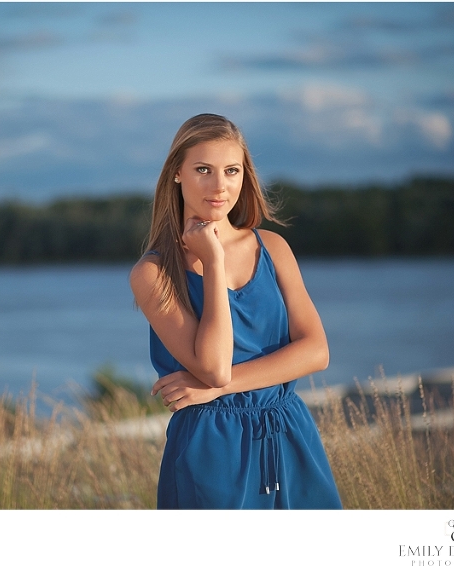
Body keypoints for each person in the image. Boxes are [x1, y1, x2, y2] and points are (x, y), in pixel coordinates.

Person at [129, 113, 342, 509]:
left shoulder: (273, 249)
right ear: (177, 173)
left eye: (231, 170)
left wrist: (216, 389)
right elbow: (214, 367)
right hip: (211, 446)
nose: (219, 185)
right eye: (203, 170)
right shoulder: (153, 273)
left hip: (289, 432)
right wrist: (213, 263)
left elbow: (316, 351)